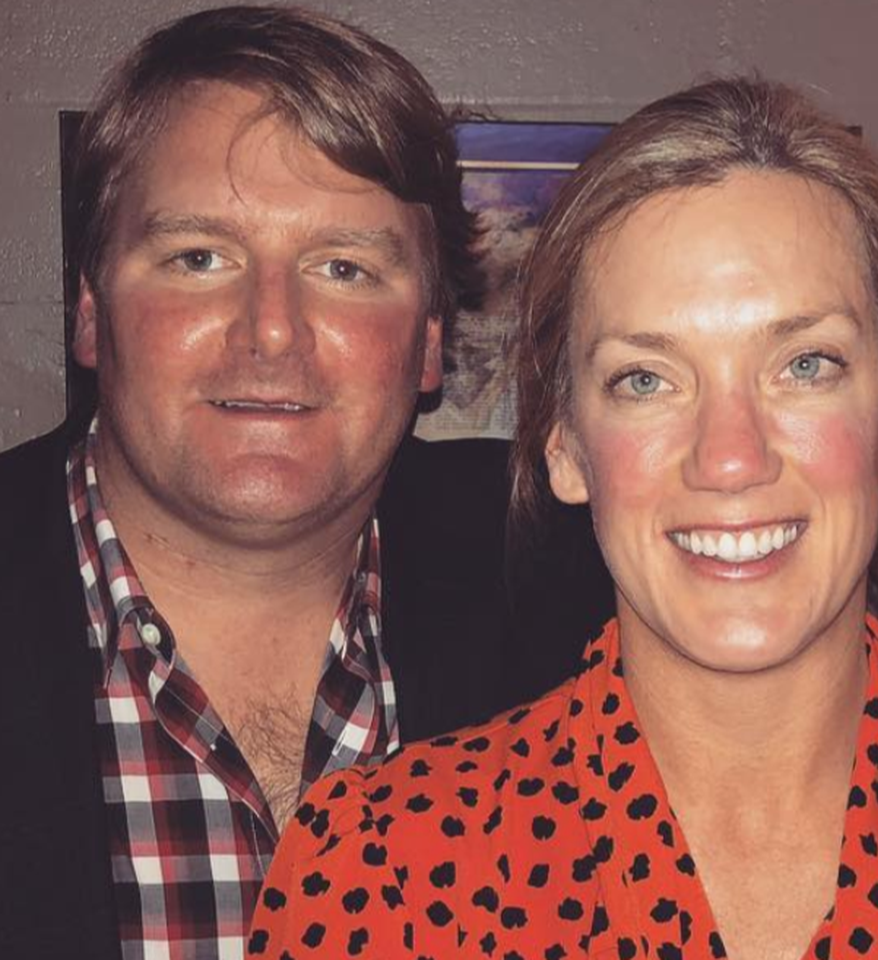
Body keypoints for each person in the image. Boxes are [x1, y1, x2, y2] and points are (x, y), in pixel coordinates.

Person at [249, 76, 878, 960]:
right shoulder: (381, 869)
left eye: (805, 365)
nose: (730, 458)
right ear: (567, 450)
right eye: (646, 380)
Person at [0, 7, 607, 958]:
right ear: (89, 311)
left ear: (431, 341)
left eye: (345, 267)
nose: (273, 329)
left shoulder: (578, 583)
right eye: (198, 258)